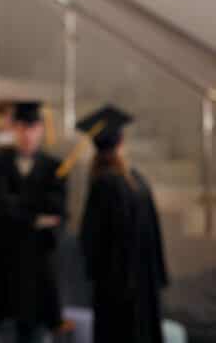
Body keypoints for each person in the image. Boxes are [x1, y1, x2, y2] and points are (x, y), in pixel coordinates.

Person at [0, 102, 72, 343]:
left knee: (38, 333)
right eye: (22, 127)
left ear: (40, 129)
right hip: (4, 265)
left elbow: (58, 213)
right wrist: (36, 215)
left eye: (33, 127)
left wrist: (15, 208)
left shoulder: (55, 168)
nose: (27, 133)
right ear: (14, 129)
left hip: (40, 267)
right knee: (2, 331)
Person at [79, 105, 169, 343]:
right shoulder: (137, 180)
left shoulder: (103, 184)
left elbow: (90, 241)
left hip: (115, 289)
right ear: (121, 142)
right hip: (144, 286)